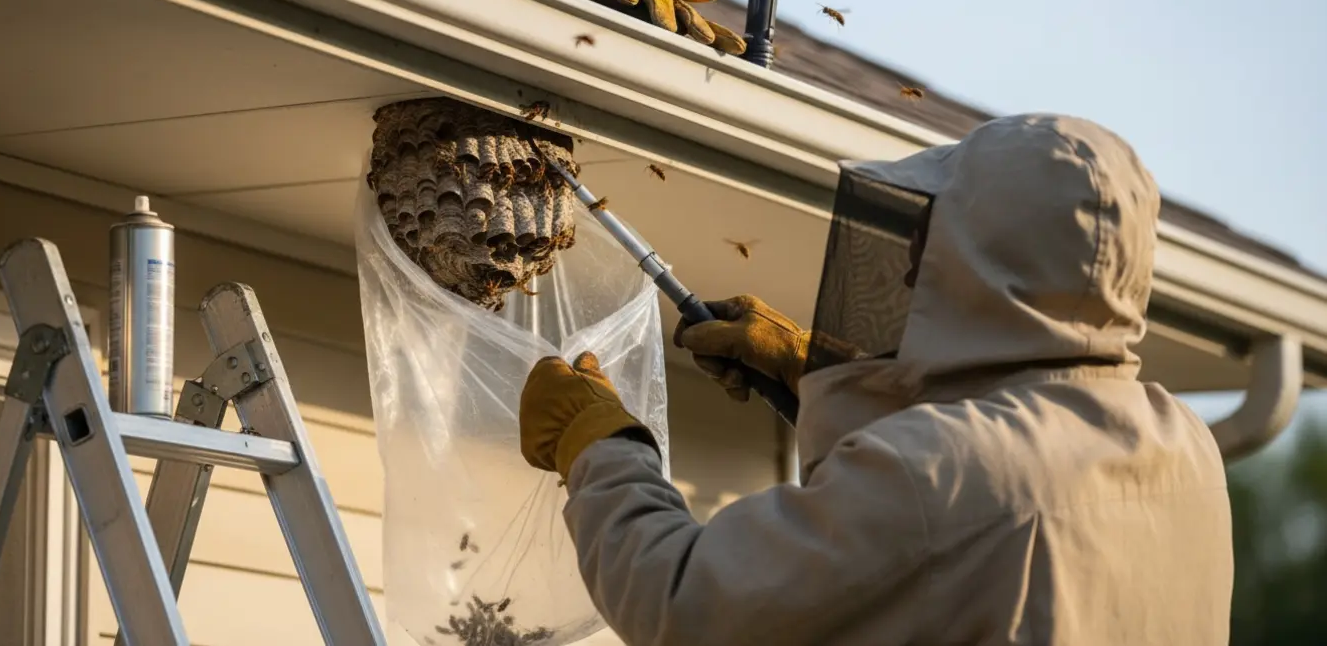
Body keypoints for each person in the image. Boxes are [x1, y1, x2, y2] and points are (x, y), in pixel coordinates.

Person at [517, 114, 1233, 645]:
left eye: (933, 238)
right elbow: (958, 527)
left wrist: (601, 445)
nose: (914, 262)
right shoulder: (1183, 448)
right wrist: (816, 374)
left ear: (991, 264)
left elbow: (683, 603)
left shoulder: (948, 471)